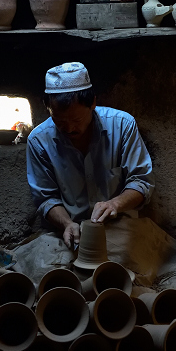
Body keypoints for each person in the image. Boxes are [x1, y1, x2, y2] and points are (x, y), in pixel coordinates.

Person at [26, 62, 154, 249]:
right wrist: (67, 224)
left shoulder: (122, 125)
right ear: (48, 108)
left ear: (93, 103)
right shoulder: (38, 141)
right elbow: (46, 199)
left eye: (77, 120)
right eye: (59, 121)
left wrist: (114, 205)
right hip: (69, 232)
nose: (69, 128)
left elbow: (142, 182)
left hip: (120, 228)